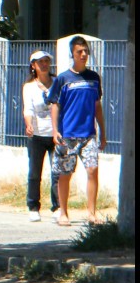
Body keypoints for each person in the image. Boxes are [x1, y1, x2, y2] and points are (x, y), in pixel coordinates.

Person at [49, 36, 107, 227]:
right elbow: (55, 105)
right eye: (79, 52)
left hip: (89, 134)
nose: (83, 55)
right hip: (68, 135)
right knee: (65, 174)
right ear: (72, 54)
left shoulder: (93, 78)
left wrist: (103, 133)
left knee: (93, 170)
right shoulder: (63, 78)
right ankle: (63, 212)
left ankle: (91, 212)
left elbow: (97, 106)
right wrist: (55, 130)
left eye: (85, 51)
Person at [21, 50, 59, 222]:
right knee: (35, 172)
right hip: (37, 135)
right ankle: (33, 206)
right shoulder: (29, 87)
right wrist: (29, 124)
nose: (44, 64)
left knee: (57, 171)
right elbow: (28, 108)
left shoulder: (57, 83)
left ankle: (57, 206)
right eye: (40, 62)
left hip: (56, 134)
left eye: (46, 61)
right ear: (33, 66)